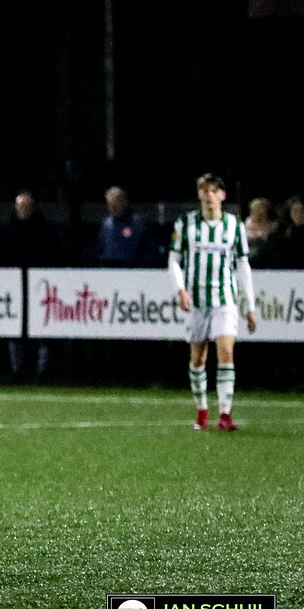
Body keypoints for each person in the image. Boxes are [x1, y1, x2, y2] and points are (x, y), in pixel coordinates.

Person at [169, 173, 258, 431]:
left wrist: (249, 306)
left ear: (222, 195)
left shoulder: (234, 226)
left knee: (226, 352)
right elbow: (174, 261)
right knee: (198, 358)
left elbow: (243, 265)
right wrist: (180, 290)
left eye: (214, 190)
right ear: (199, 194)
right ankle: (202, 409)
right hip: (196, 300)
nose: (209, 195)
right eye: (204, 190)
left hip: (225, 299)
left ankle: (225, 414)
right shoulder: (185, 224)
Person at [0, 190, 65, 381]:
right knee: (14, 329)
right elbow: (0, 254)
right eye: (20, 206)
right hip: (14, 287)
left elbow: (54, 254)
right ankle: (17, 370)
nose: (23, 209)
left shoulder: (44, 229)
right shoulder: (8, 229)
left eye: (26, 206)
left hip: (39, 286)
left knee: (43, 327)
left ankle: (42, 370)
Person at [96, 186, 161, 267]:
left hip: (134, 270)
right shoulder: (106, 226)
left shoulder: (139, 224)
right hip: (110, 270)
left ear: (124, 202)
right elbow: (100, 251)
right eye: (110, 204)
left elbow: (151, 253)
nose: (113, 208)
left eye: (116, 204)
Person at [243, 197, 282, 269]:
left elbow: (266, 235)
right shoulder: (249, 222)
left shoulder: (273, 224)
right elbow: (247, 237)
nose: (257, 214)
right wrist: (258, 235)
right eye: (254, 211)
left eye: (260, 211)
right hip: (252, 248)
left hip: (267, 249)